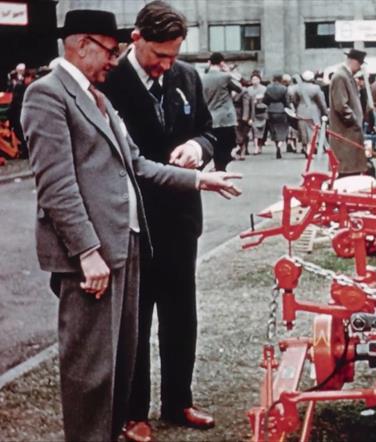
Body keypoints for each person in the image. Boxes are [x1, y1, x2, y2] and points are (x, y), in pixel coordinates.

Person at [20, 9, 240, 442]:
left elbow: (136, 161)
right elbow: (58, 185)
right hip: (100, 246)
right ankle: (114, 423)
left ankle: (156, 408)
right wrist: (85, 251)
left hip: (138, 236)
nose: (114, 59)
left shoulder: (95, 94)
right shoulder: (52, 94)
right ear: (82, 44)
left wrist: (199, 175)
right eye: (109, 49)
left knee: (127, 350)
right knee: (93, 364)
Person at [100, 2, 222, 440]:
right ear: (136, 38)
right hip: (132, 220)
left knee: (180, 313)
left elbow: (211, 133)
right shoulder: (108, 81)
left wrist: (197, 148)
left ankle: (179, 401)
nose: (166, 65)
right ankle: (134, 412)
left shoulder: (187, 77)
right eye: (159, 56)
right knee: (135, 320)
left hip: (181, 220)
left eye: (173, 55)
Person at [329, 48, 368, 177]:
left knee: (351, 169)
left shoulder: (345, 76)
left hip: (349, 131)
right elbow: (341, 105)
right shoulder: (341, 76)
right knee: (346, 170)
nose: (360, 67)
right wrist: (354, 120)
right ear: (353, 61)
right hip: (346, 132)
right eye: (360, 64)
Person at [202, 51, 242, 170]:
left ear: (209, 62)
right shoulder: (225, 77)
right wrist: (228, 70)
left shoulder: (203, 78)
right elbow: (239, 87)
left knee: (216, 143)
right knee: (227, 143)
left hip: (211, 116)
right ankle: (222, 166)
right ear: (222, 63)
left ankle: (217, 165)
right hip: (226, 116)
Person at [292, 70, 328, 155]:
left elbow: (294, 100)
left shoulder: (297, 87)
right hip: (313, 110)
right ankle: (311, 146)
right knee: (313, 129)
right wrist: (324, 112)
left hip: (301, 110)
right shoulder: (316, 88)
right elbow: (321, 102)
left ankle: (305, 146)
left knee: (303, 130)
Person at [263, 74, 289, 159]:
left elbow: (265, 99)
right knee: (283, 129)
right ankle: (280, 144)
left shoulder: (268, 87)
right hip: (281, 109)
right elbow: (286, 101)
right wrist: (287, 108)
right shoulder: (284, 88)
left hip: (271, 109)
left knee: (273, 129)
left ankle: (276, 144)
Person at [247, 72, 267, 154]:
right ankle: (256, 147)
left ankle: (260, 146)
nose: (254, 81)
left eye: (256, 79)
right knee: (254, 130)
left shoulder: (264, 89)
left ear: (260, 80)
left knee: (262, 130)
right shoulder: (249, 89)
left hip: (262, 112)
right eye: (253, 79)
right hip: (253, 112)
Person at [233, 77, 252, 160]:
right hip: (231, 115)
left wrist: (245, 116)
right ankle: (238, 151)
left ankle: (242, 151)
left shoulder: (243, 91)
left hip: (239, 115)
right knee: (236, 135)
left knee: (241, 134)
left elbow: (246, 104)